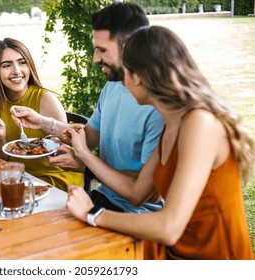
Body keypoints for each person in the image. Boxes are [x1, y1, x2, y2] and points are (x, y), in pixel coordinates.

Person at [66, 26, 254, 260]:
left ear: (140, 77)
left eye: (125, 72)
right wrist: (82, 154)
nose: (121, 82)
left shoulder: (199, 123)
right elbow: (137, 192)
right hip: (174, 251)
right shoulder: (170, 124)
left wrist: (92, 213)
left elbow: (168, 228)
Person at [11, 2, 164, 213]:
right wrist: (42, 122)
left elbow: (145, 192)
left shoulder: (158, 106)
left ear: (130, 45)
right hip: (103, 197)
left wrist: (84, 160)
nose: (95, 58)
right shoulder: (112, 86)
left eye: (102, 50)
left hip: (137, 214)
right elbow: (89, 137)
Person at [0, 38, 84, 191]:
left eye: (22, 62)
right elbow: (1, 161)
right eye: (7, 65)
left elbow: (72, 148)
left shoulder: (46, 99)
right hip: (20, 178)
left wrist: (51, 141)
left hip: (56, 178)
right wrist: (1, 138)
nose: (16, 70)